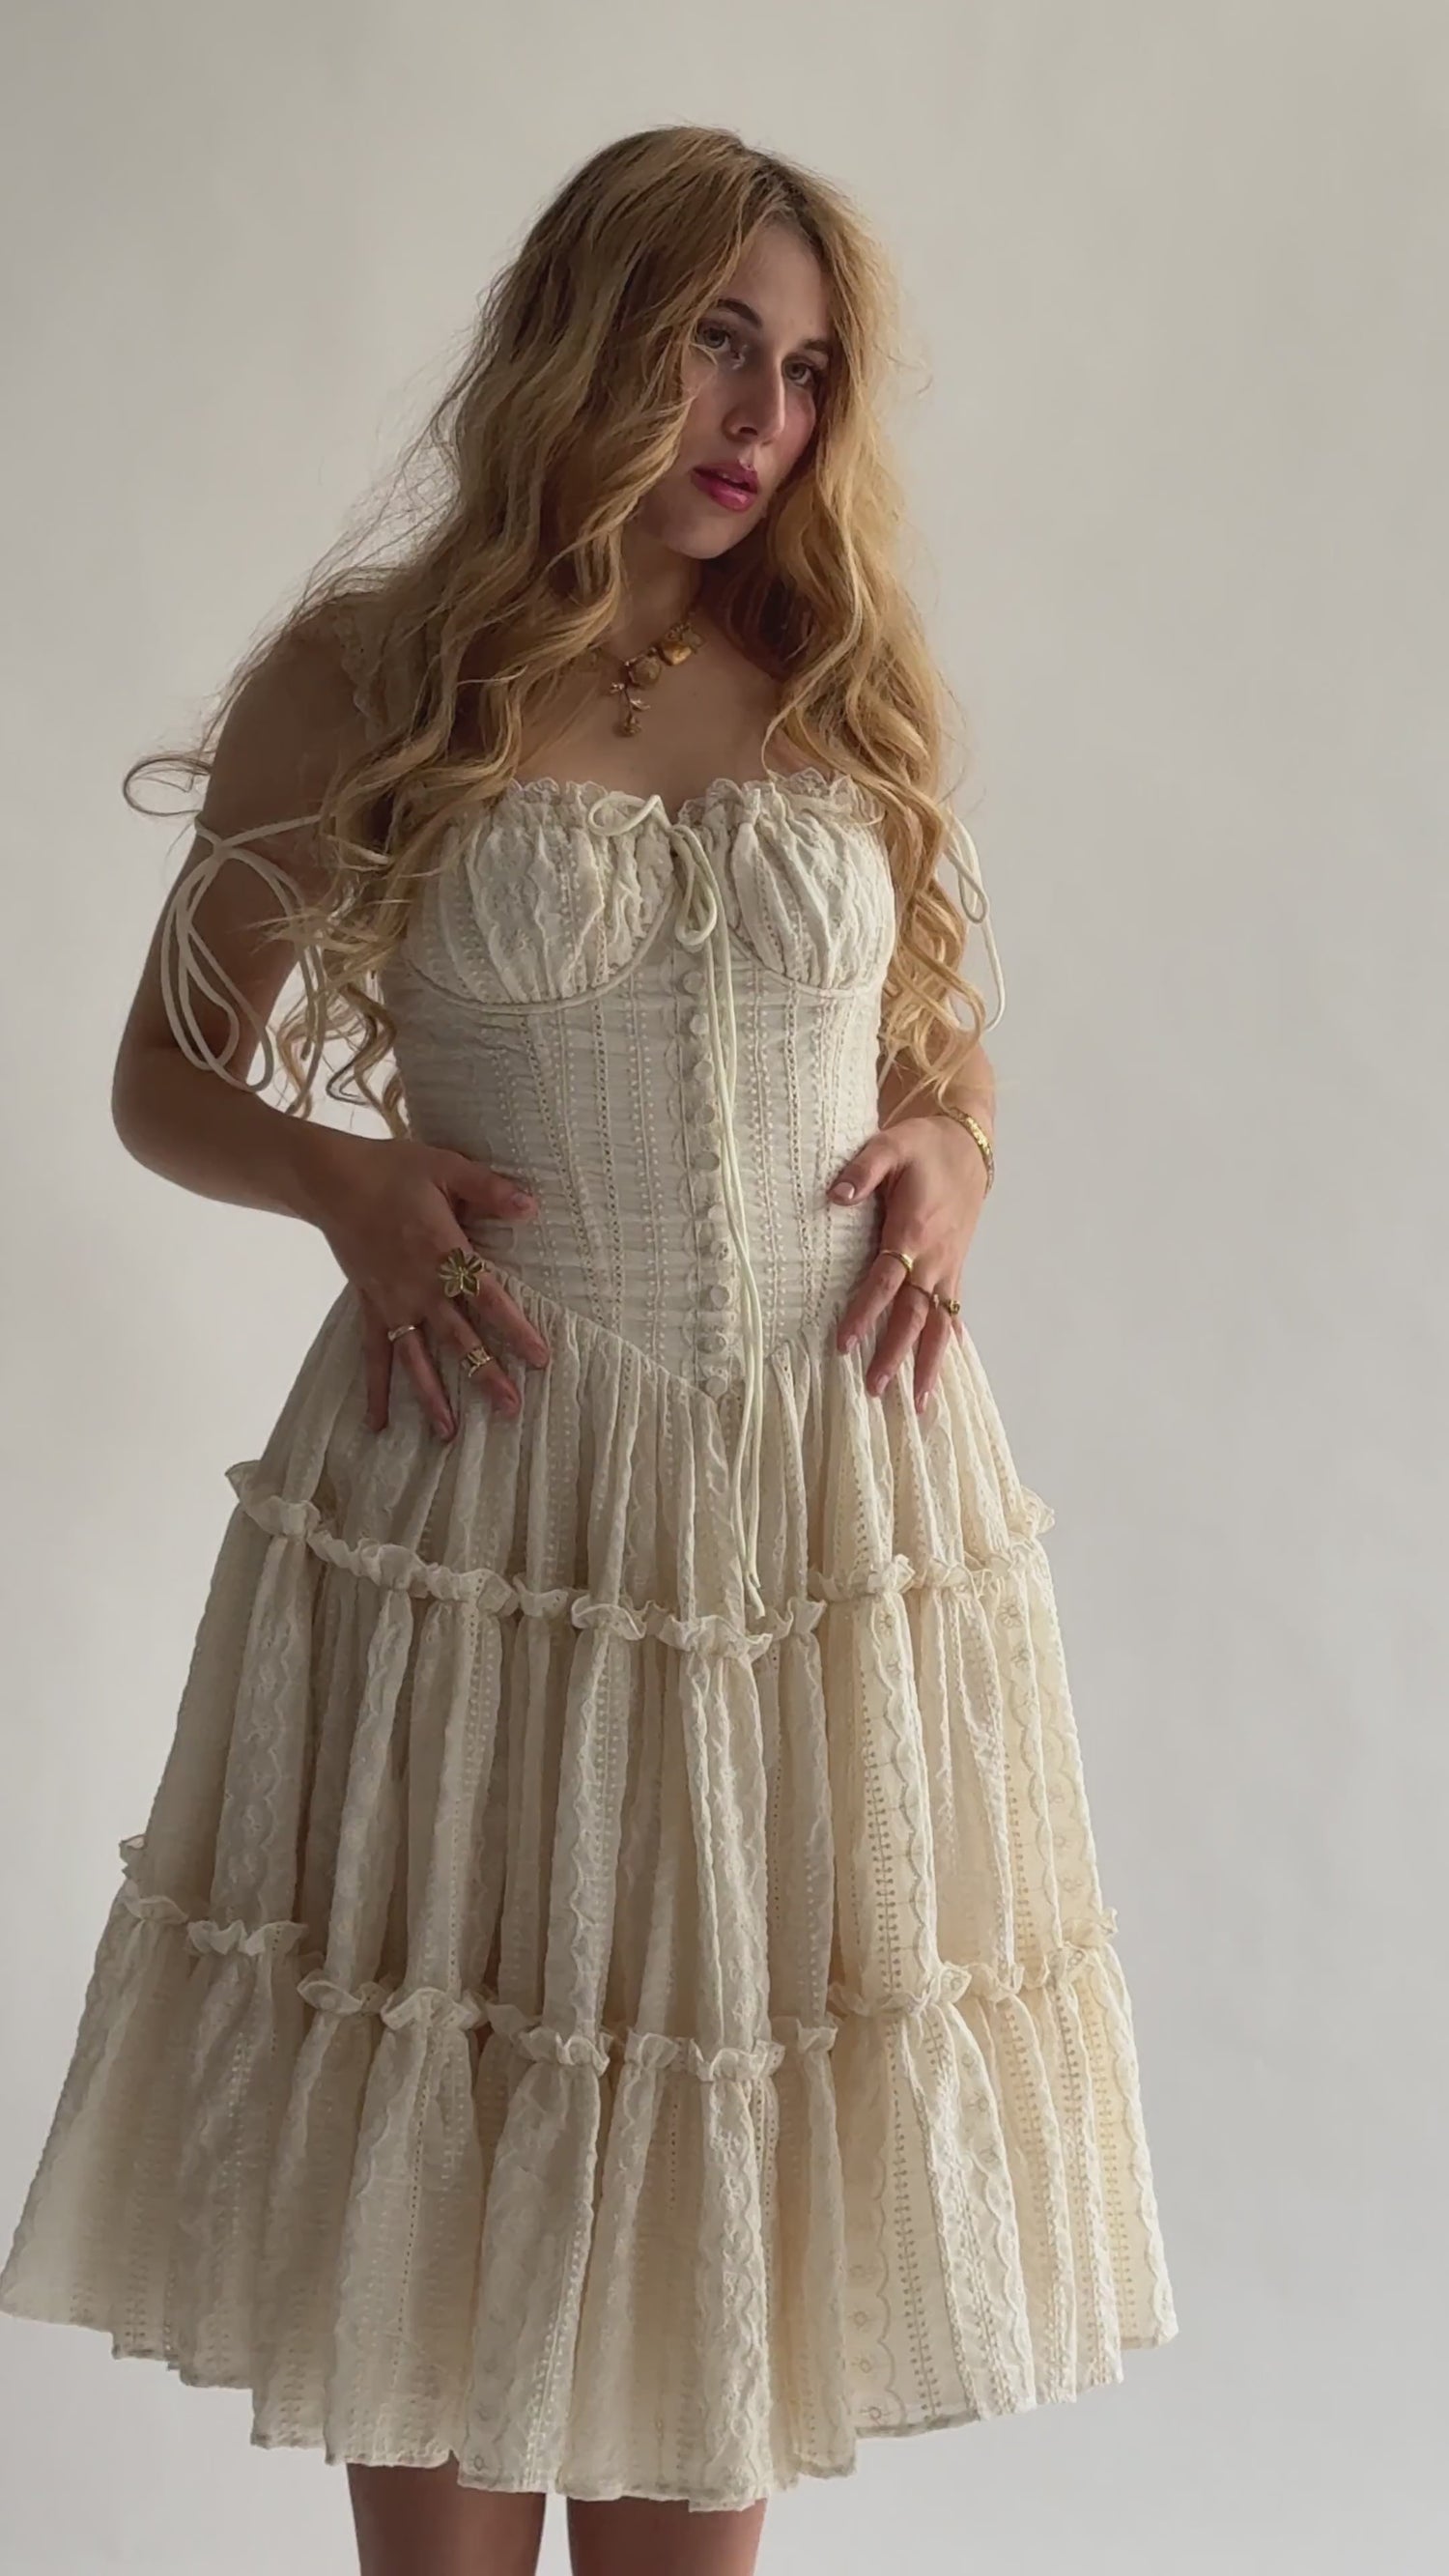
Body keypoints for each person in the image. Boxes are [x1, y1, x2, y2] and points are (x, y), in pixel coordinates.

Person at [0, 125, 1177, 2576]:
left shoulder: (836, 675)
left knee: (709, 2162)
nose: (763, 415)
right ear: (588, 335)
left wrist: (959, 1145)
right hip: (487, 1490)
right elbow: (160, 1077)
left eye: (809, 369)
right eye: (716, 342)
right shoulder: (371, 678)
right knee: (457, 2153)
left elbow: (935, 1045)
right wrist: (343, 1183)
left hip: (808, 1516)